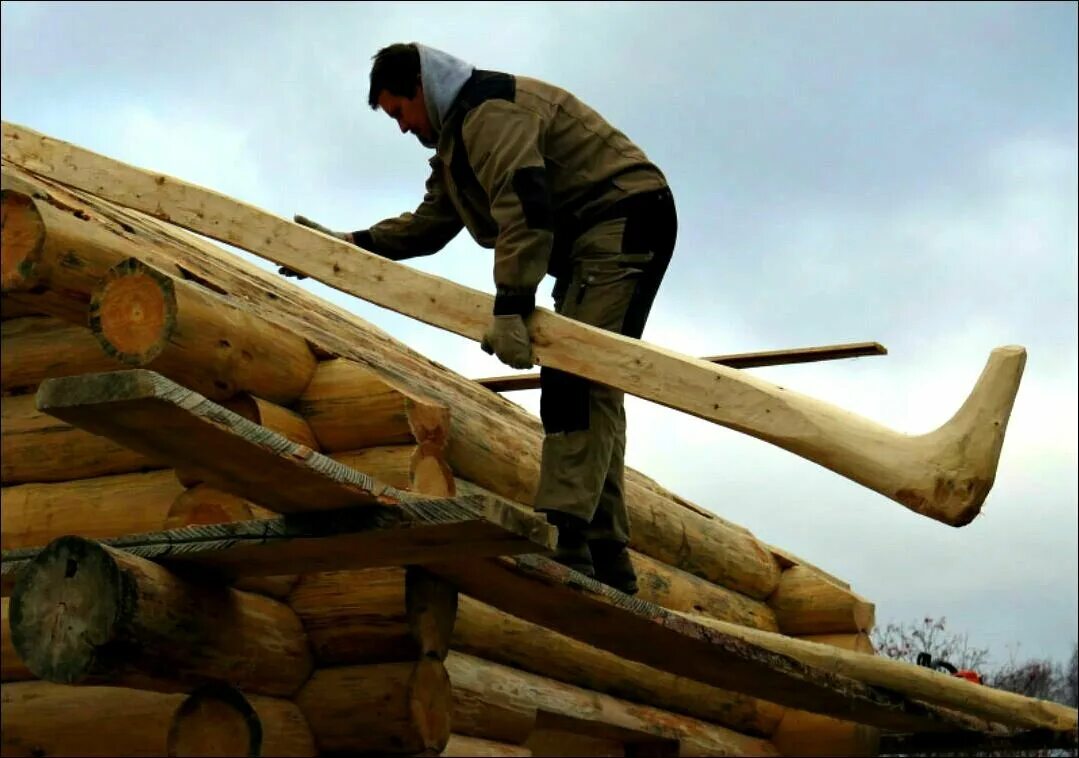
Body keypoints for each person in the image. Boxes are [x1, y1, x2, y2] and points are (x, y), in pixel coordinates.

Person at [284, 43, 677, 595]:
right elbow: (429, 225)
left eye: (399, 112)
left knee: (573, 376)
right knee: (591, 383)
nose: (401, 128)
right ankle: (604, 551)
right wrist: (352, 244)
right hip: (597, 233)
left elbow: (526, 207)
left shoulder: (491, 114)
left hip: (623, 218)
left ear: (420, 87)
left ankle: (570, 538)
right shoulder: (456, 140)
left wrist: (512, 306)